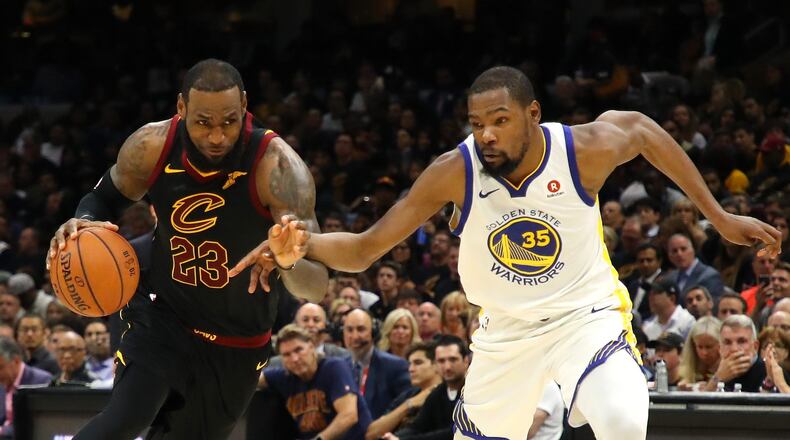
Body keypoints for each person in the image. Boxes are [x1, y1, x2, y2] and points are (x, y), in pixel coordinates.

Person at [234, 66, 781, 439]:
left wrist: (722, 217)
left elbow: (641, 130)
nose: (487, 135)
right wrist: (297, 245)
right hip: (503, 335)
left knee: (621, 419)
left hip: (583, 317)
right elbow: (364, 249)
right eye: (477, 124)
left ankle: (595, 394)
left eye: (500, 120)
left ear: (531, 114)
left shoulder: (581, 150)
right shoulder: (455, 171)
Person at [46, 59, 328, 439]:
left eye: (229, 121)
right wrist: (81, 219)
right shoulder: (152, 145)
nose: (216, 136)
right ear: (181, 108)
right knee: (124, 420)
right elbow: (102, 199)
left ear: (245, 105)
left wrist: (289, 260)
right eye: (203, 122)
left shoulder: (277, 168)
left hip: (238, 339)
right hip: (164, 315)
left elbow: (316, 285)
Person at [260, 324, 371, 440]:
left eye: (299, 350)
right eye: (287, 355)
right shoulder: (285, 377)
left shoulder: (333, 368)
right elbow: (252, 381)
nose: (294, 359)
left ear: (311, 347)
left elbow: (349, 415)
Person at [0, 336, 52, 438]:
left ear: (16, 361)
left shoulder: (42, 381)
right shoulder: (2, 382)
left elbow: (36, 426)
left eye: (0, 367)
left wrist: (2, 431)